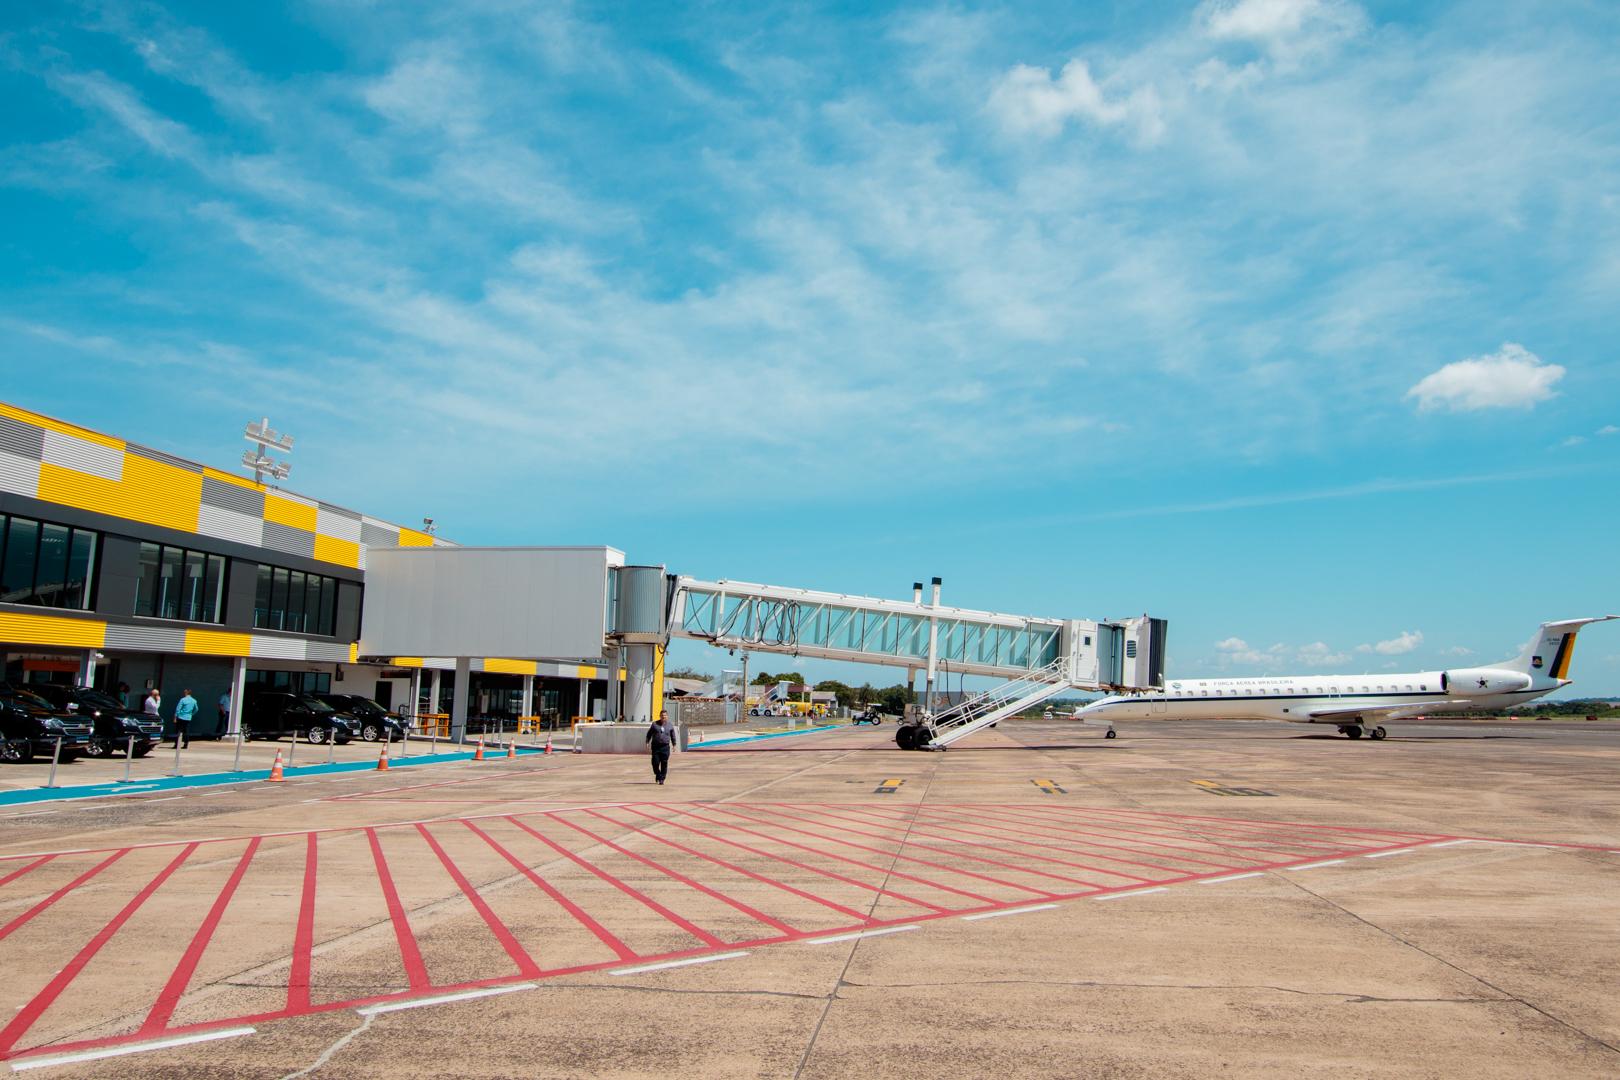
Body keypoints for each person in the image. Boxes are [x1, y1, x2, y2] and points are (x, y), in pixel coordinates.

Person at [645, 710, 675, 785]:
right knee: (655, 762)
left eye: (665, 715)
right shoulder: (654, 724)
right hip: (656, 747)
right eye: (662, 715)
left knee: (664, 763)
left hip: (665, 747)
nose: (663, 717)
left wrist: (674, 744)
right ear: (660, 716)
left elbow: (673, 735)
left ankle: (662, 778)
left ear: (667, 716)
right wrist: (647, 742)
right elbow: (649, 734)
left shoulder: (670, 725)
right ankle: (658, 774)